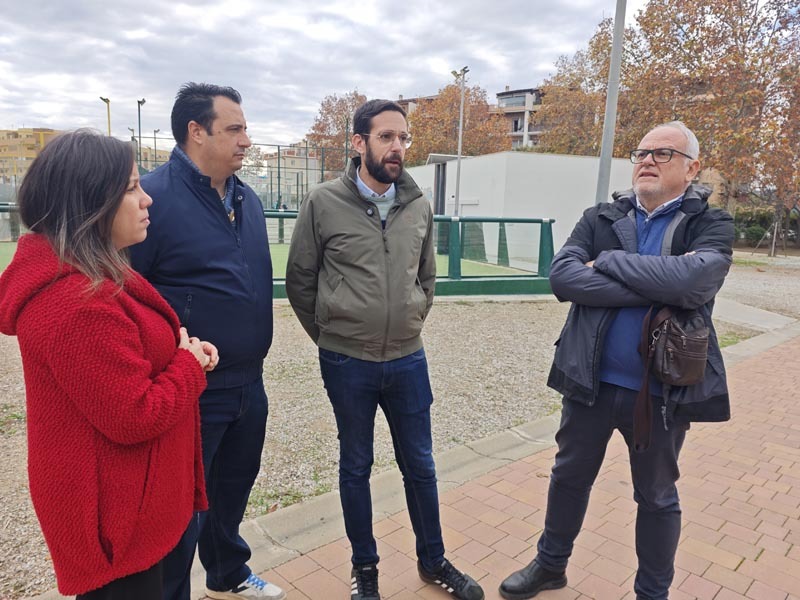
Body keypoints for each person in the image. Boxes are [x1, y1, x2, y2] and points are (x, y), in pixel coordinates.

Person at [498, 121, 735, 600]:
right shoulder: (600, 218)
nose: (647, 160)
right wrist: (658, 286)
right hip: (588, 380)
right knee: (568, 477)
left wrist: (606, 262)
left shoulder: (710, 223)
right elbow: (563, 278)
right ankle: (550, 566)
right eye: (641, 152)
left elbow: (693, 282)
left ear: (691, 168)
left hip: (661, 391)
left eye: (662, 153)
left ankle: (652, 593)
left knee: (656, 496)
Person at [0, 130, 216, 599]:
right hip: (115, 521)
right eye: (132, 187)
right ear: (91, 202)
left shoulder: (92, 273)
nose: (147, 199)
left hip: (130, 503)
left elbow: (124, 365)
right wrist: (187, 366)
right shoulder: (75, 302)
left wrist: (184, 353)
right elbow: (133, 414)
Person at [286, 99, 484, 600]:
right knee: (356, 466)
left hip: (407, 358)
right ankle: (365, 568)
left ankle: (433, 560)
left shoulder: (418, 204)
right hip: (346, 362)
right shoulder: (323, 202)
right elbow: (300, 281)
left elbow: (426, 277)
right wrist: (331, 337)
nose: (398, 147)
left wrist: (410, 320)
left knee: (421, 464)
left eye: (403, 138)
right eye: (386, 137)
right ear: (359, 143)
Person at [129, 83, 282, 600]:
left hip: (249, 382)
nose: (246, 140)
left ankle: (227, 574)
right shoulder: (152, 200)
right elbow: (128, 295)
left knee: (232, 489)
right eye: (234, 129)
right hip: (191, 387)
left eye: (245, 128)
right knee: (178, 513)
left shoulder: (247, 199)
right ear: (196, 132)